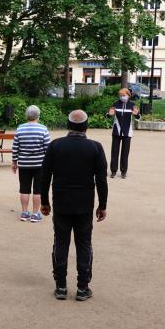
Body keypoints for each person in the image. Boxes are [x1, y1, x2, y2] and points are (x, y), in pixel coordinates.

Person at [40, 110, 108, 301]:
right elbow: (101, 180)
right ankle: (82, 287)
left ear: (68, 125)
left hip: (61, 202)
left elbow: (45, 176)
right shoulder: (95, 147)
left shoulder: (55, 145)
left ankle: (61, 286)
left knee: (60, 243)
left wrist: (44, 201)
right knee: (84, 244)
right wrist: (102, 205)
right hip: (84, 204)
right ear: (86, 126)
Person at [12, 105, 51, 223]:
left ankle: (24, 213)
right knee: (38, 190)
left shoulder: (20, 128)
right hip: (40, 165)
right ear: (38, 116)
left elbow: (15, 147)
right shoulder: (43, 129)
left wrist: (14, 162)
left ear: (26, 115)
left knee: (24, 189)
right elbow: (48, 149)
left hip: (24, 164)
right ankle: (35, 214)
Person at [107, 88, 140, 179]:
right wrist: (109, 114)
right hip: (116, 132)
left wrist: (136, 114)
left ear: (128, 95)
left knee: (125, 153)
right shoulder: (115, 104)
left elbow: (138, 117)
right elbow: (108, 114)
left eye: (124, 95)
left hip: (127, 133)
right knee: (114, 153)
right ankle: (113, 171)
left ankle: (123, 172)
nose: (122, 97)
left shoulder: (132, 105)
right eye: (121, 95)